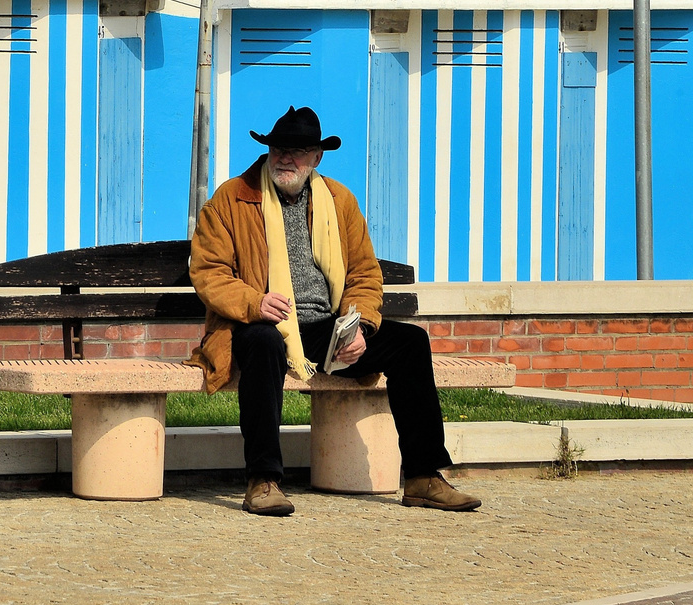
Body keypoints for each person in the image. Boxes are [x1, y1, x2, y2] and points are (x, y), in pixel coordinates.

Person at [185, 105, 482, 517]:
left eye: (299, 151)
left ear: (317, 158)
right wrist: (254, 302)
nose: (286, 158)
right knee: (264, 343)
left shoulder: (338, 200)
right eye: (279, 149)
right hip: (259, 322)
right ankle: (263, 480)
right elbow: (208, 270)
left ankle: (422, 476)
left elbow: (363, 272)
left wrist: (358, 326)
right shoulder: (232, 197)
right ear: (268, 150)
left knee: (411, 343)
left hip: (326, 328)